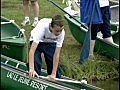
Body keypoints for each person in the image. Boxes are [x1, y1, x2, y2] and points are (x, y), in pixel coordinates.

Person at [28, 15, 65, 80]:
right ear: (51, 26)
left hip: (50, 42)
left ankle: (54, 79)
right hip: (37, 42)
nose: (59, 33)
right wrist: (31, 69)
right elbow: (32, 51)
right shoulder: (42, 28)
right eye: (57, 31)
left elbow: (56, 55)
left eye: (60, 30)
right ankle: (33, 76)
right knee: (36, 62)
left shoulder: (62, 33)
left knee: (52, 62)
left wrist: (53, 74)